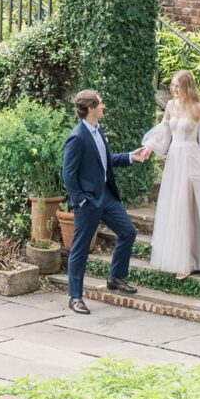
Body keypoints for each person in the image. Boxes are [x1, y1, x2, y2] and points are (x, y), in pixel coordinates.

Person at [141, 70, 200, 279]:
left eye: (177, 86)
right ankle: (179, 257)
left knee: (191, 206)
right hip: (175, 159)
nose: (173, 89)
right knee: (176, 205)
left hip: (193, 159)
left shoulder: (198, 108)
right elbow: (164, 130)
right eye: (172, 85)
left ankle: (191, 260)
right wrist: (149, 147)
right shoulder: (171, 106)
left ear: (186, 87)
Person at [61, 87, 144, 315]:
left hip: (106, 196)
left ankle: (115, 278)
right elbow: (68, 173)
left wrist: (130, 157)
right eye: (100, 103)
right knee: (79, 248)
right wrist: (80, 201)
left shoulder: (98, 130)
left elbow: (104, 161)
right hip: (88, 202)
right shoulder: (77, 137)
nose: (103, 106)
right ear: (90, 108)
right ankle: (75, 297)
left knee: (128, 232)